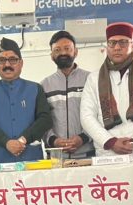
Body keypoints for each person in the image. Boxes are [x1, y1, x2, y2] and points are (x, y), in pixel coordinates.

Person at [81, 22, 133, 157]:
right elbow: (87, 116)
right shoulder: (94, 78)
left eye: (123, 42)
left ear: (132, 45)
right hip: (107, 153)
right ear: (107, 46)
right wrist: (110, 142)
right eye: (112, 43)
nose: (117, 47)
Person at [0, 37, 52, 163]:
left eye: (12, 60)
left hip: (32, 159)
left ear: (21, 63)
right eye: (2, 60)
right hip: (0, 161)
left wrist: (23, 140)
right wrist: (6, 142)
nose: (7, 65)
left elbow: (45, 119)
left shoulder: (35, 89)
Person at [40, 31, 94, 159]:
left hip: (88, 156)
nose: (63, 53)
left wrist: (83, 138)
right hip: (56, 158)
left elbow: (99, 115)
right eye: (57, 50)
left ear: (75, 52)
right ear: (52, 55)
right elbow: (40, 120)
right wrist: (53, 140)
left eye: (67, 48)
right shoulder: (44, 85)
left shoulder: (91, 79)